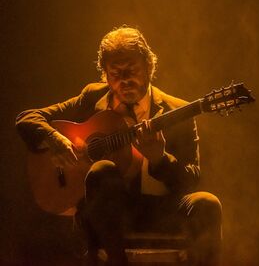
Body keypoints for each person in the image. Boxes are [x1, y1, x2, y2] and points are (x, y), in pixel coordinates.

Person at [16, 26, 222, 266]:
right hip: (111, 212)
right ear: (105, 75)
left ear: (148, 67)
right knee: (102, 169)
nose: (124, 80)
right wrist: (56, 140)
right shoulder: (92, 98)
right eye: (115, 73)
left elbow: (191, 179)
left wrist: (160, 159)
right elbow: (27, 118)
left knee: (207, 203)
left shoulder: (178, 111)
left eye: (131, 70)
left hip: (163, 210)